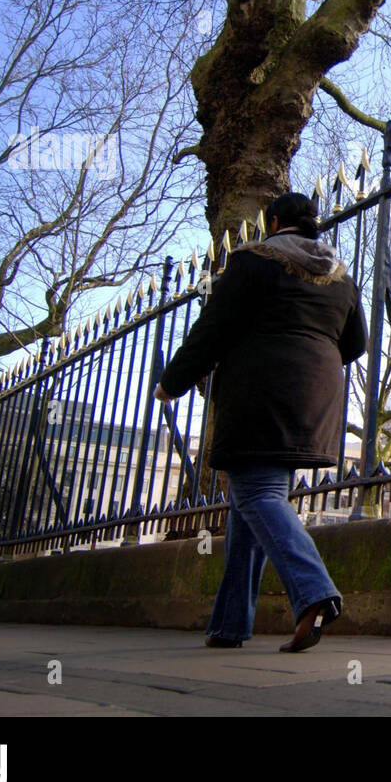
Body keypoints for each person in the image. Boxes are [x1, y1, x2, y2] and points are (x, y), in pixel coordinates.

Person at [155, 192, 366, 653]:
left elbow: (212, 328)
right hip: (317, 399)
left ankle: (314, 594)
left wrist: (172, 381)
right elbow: (356, 344)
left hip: (260, 394)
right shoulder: (341, 277)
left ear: (273, 223)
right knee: (249, 506)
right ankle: (230, 624)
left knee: (257, 493)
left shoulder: (251, 262)